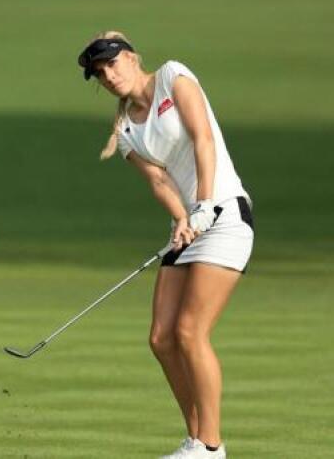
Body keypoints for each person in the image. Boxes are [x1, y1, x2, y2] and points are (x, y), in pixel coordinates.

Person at [77, 31, 254, 459]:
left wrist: (205, 203)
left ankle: (211, 447)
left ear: (132, 57)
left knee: (190, 332)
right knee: (161, 338)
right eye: (100, 73)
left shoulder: (173, 76)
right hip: (190, 226)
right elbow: (159, 181)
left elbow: (203, 137)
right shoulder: (124, 130)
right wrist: (182, 217)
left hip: (226, 214)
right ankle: (195, 440)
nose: (109, 76)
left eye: (112, 64)